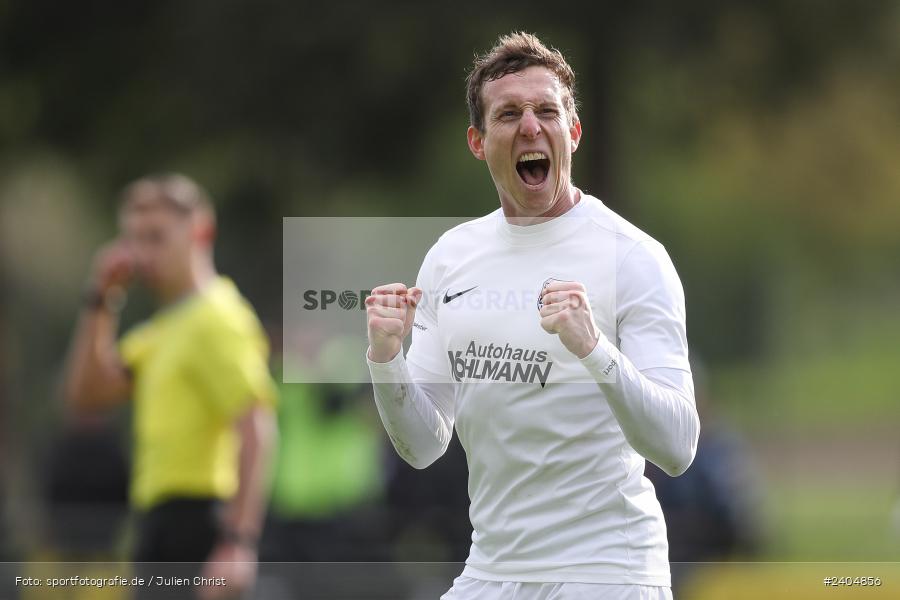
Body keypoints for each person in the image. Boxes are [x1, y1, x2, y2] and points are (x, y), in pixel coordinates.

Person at [365, 33, 700, 600]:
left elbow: (677, 446)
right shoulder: (450, 257)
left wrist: (594, 349)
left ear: (573, 132)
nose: (529, 127)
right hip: (491, 571)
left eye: (546, 111)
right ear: (478, 141)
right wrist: (385, 359)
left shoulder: (633, 257)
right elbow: (422, 446)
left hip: (606, 573)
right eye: (508, 114)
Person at [63, 174, 277, 600]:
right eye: (134, 238)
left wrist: (237, 543)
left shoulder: (218, 318)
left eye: (156, 237)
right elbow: (86, 395)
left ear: (201, 232)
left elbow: (256, 425)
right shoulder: (162, 329)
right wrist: (101, 299)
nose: (142, 253)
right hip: (157, 523)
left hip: (200, 521)